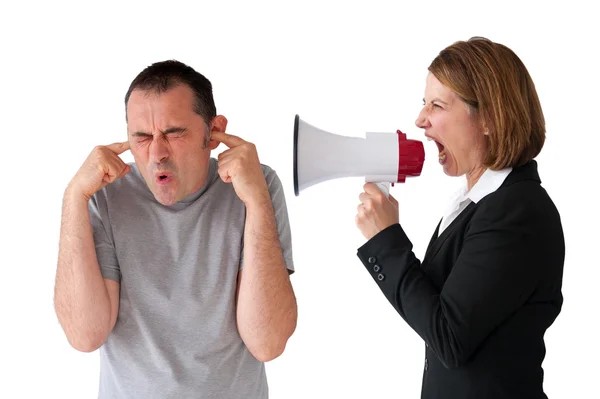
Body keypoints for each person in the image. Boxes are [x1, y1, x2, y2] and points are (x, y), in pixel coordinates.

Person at [53, 60, 297, 399]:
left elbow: (267, 341)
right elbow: (84, 335)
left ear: (214, 133)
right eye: (141, 137)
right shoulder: (105, 194)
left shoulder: (257, 183)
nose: (156, 153)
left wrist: (256, 201)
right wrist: (73, 198)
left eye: (173, 133)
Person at [355, 37, 564, 399]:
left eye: (437, 105)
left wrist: (386, 240)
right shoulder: (477, 204)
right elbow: (441, 309)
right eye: (424, 103)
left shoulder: (517, 211)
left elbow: (449, 338)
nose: (420, 120)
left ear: (488, 118)